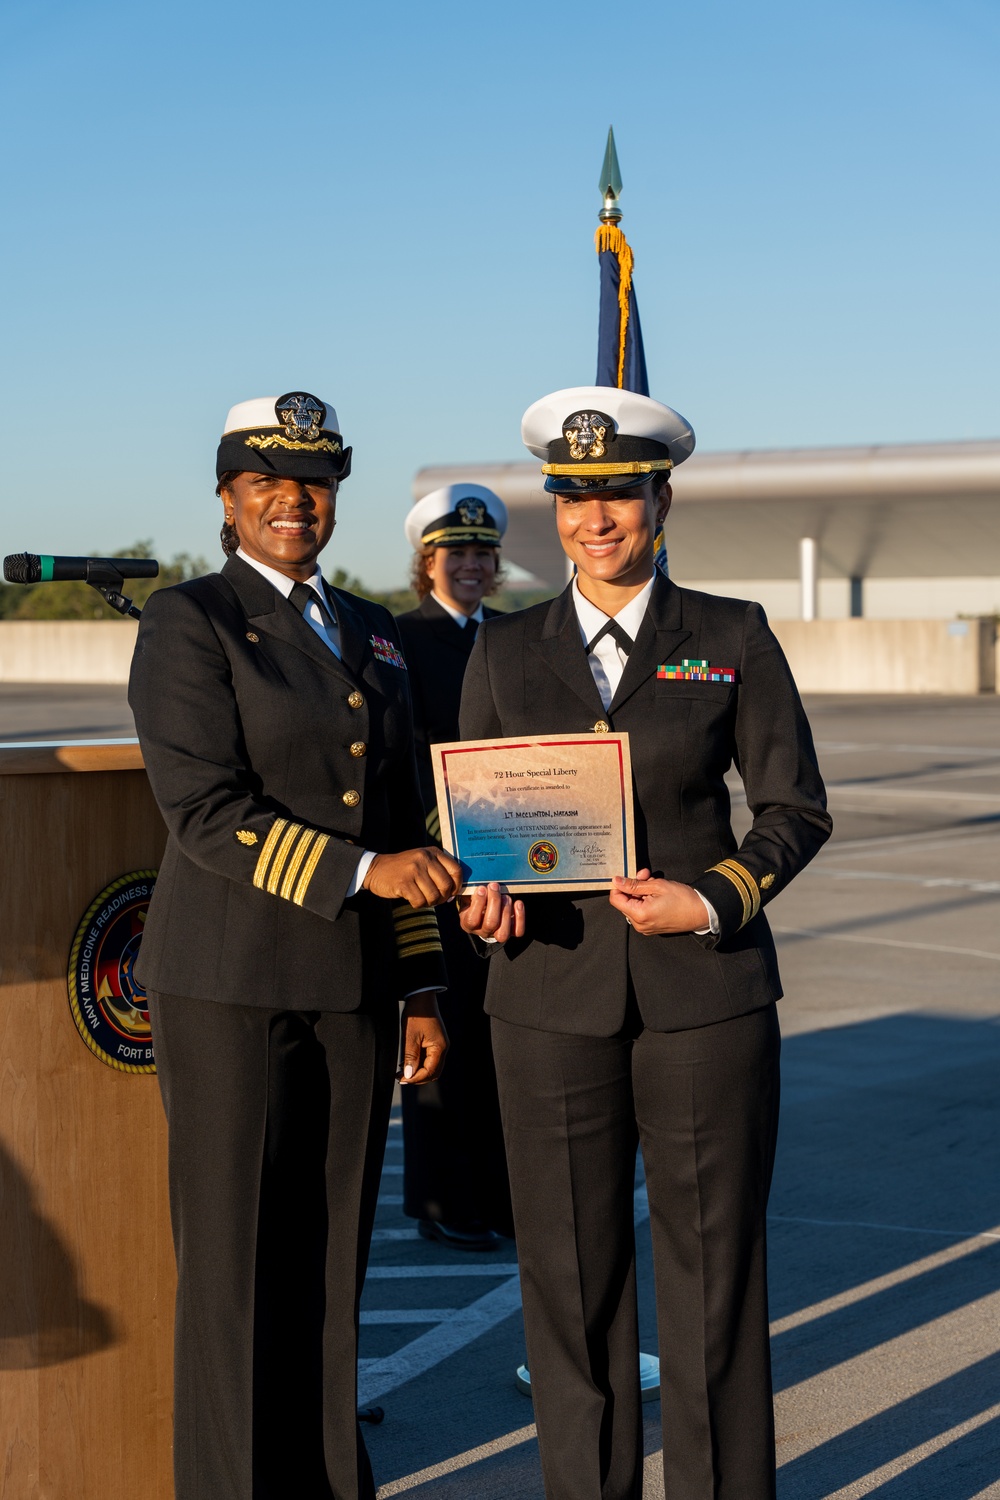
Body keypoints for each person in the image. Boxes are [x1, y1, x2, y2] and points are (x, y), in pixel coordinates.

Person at [457, 386, 833, 1500]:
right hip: (545, 998)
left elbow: (794, 810)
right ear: (554, 509)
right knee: (568, 1293)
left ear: (660, 499)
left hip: (701, 998)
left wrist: (711, 898)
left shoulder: (728, 635)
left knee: (713, 1282)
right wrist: (482, 900)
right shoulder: (503, 646)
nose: (595, 517)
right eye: (573, 497)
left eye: (617, 493)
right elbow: (472, 817)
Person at [128, 391, 463, 1500]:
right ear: (226, 498)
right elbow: (203, 808)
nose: (293, 501)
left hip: (355, 987)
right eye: (267, 481)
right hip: (230, 985)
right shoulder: (191, 621)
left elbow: (405, 810)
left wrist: (421, 982)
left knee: (332, 1261)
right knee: (233, 1270)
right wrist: (363, 875)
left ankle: (328, 1483)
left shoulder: (369, 628)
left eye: (313, 482)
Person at [396, 484, 514, 1249]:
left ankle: (502, 1198)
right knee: (441, 1031)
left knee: (506, 1037)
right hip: (435, 865)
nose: (470, 566)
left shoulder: (517, 637)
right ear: (426, 562)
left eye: (481, 554)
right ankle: (442, 1205)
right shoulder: (397, 641)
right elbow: (401, 757)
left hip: (510, 859)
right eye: (455, 553)